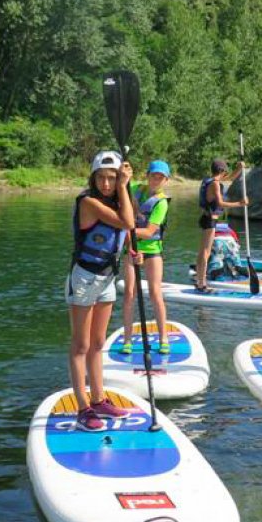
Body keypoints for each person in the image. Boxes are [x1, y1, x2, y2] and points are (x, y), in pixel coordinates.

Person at [67, 151, 136, 431]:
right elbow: (127, 222)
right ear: (93, 178)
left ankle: (98, 399)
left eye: (112, 178)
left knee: (98, 344)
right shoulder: (89, 202)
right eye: (102, 178)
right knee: (80, 345)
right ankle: (82, 407)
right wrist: (123, 184)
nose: (106, 184)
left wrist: (132, 252)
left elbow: (128, 231)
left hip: (107, 280)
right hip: (84, 279)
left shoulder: (120, 201)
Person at [122, 160, 171, 354]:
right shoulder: (135, 188)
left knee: (155, 293)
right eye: (153, 176)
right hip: (131, 249)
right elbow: (121, 187)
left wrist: (125, 230)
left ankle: (163, 338)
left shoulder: (161, 203)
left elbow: (150, 231)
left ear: (166, 180)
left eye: (160, 177)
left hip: (151, 250)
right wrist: (124, 175)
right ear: (148, 175)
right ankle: (127, 339)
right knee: (129, 293)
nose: (156, 180)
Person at [193, 157, 248, 291]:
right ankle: (202, 284)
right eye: (225, 172)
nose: (226, 175)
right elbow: (220, 203)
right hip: (210, 220)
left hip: (207, 218)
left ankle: (199, 280)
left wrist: (239, 169)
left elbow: (230, 178)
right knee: (205, 252)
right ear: (222, 170)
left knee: (203, 252)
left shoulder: (210, 180)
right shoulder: (215, 184)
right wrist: (240, 204)